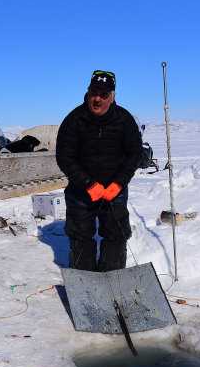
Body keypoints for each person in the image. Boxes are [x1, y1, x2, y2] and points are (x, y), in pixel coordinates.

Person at [56, 70, 143, 271]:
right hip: (81, 190)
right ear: (87, 93)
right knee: (80, 236)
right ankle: (85, 283)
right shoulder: (74, 119)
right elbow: (64, 157)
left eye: (104, 95)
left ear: (112, 98)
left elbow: (134, 155)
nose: (97, 99)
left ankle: (112, 281)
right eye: (94, 93)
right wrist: (88, 184)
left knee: (116, 235)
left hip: (114, 190)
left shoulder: (124, 119)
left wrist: (118, 184)